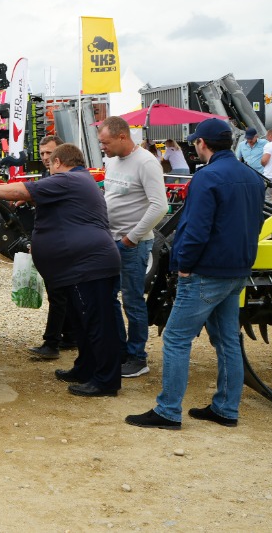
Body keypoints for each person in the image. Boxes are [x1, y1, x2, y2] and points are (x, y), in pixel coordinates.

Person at [126, 118, 265, 429]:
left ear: (202, 144)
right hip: (238, 269)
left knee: (176, 338)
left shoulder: (207, 178)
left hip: (205, 271)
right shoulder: (253, 177)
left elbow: (195, 229)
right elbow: (255, 224)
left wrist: (184, 265)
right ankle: (226, 409)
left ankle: (168, 411)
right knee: (227, 339)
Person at [0, 143, 124, 397]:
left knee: (97, 323)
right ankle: (85, 368)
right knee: (82, 322)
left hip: (89, 265)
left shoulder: (68, 179)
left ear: (58, 162)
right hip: (83, 265)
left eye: (49, 160)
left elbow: (20, 188)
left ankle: (106, 381)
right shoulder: (76, 181)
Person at [98, 116, 168, 379]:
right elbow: (110, 196)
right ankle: (120, 349)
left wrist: (132, 237)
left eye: (105, 142)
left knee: (132, 301)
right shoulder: (112, 160)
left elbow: (159, 206)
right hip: (111, 240)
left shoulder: (147, 163)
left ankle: (138, 357)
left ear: (122, 137)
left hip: (132, 245)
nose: (102, 147)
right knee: (108, 296)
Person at [25, 135, 76, 359]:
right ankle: (70, 335)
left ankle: (51, 344)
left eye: (50, 153)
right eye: (43, 153)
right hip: (56, 243)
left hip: (61, 245)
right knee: (63, 294)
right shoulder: (51, 176)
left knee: (58, 295)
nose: (46, 157)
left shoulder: (63, 178)